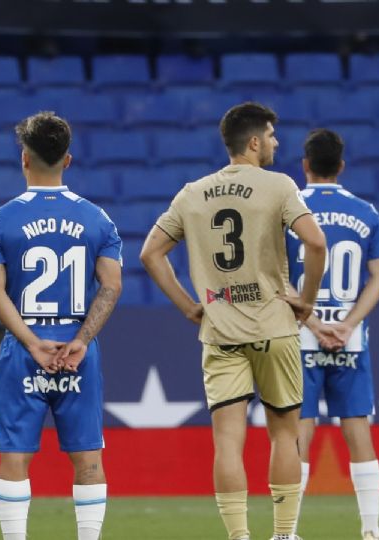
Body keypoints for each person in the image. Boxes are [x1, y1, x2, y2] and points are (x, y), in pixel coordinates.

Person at [140, 102, 327, 540]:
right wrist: (307, 301)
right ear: (255, 141)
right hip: (274, 327)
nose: (277, 143)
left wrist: (189, 306)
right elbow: (316, 243)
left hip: (220, 331)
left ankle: (239, 536)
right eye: (272, 135)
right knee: (284, 434)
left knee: (227, 441)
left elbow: (150, 253)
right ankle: (283, 534)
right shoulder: (279, 185)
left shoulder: (191, 192)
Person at [0, 111, 123, 540]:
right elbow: (111, 287)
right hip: (79, 348)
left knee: (15, 456)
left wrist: (32, 342)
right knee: (89, 458)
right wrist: (80, 340)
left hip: (25, 348)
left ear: (24, 159)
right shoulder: (99, 219)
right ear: (68, 160)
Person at [286, 129, 379, 540]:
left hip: (300, 338)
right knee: (358, 432)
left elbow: (276, 274)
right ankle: (370, 530)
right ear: (341, 167)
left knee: (299, 434)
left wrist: (312, 322)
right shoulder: (367, 212)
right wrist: (349, 324)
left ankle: (288, 531)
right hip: (351, 340)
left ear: (305, 165)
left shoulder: (288, 208)